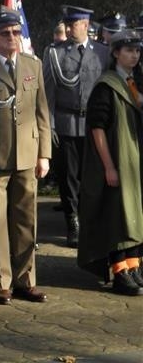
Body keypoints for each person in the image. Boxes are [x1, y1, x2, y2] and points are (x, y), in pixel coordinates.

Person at [0, 6, 51, 305]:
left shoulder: (33, 65)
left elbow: (42, 111)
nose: (12, 38)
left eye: (16, 32)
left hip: (28, 154)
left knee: (26, 220)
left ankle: (25, 280)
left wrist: (45, 154)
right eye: (5, 33)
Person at [78, 30, 143, 296]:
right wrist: (109, 166)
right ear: (115, 53)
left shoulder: (135, 82)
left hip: (136, 162)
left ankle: (135, 266)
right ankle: (120, 272)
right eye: (128, 50)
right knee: (118, 215)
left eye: (137, 51)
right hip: (118, 160)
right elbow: (97, 127)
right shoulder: (107, 85)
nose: (134, 55)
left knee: (136, 215)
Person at [42, 5, 103, 248]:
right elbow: (48, 92)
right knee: (68, 178)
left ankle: (90, 219)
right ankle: (73, 222)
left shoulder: (102, 53)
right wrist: (51, 125)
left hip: (93, 124)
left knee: (91, 175)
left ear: (85, 25)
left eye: (73, 24)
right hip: (66, 124)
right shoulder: (55, 53)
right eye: (67, 24)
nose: (68, 28)